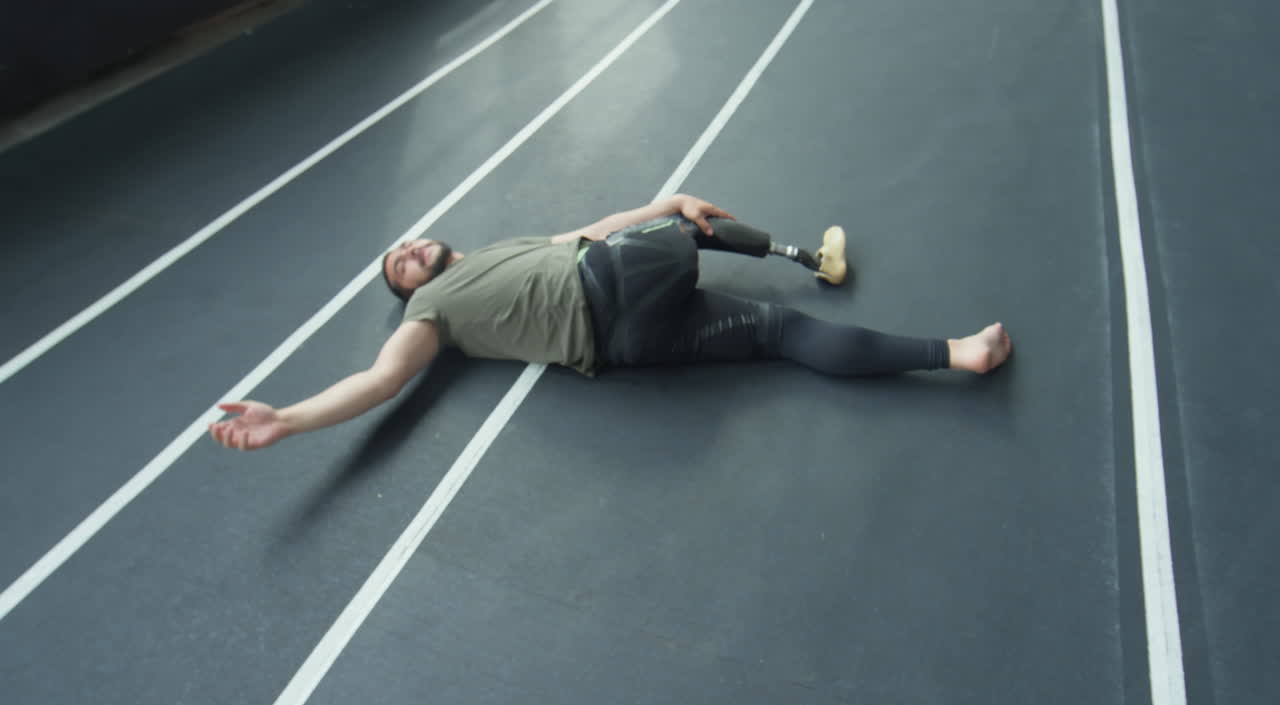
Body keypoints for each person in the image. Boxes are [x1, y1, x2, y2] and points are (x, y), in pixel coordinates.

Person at [209, 194, 1011, 450]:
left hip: (627, 345)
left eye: (409, 245)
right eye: (399, 265)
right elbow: (381, 380)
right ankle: (812, 259)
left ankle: (957, 352)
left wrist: (660, 204)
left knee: (780, 335)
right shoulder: (430, 312)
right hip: (612, 288)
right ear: (406, 291)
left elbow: (585, 227)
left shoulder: (500, 249)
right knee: (698, 228)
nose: (410, 255)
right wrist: (288, 418)